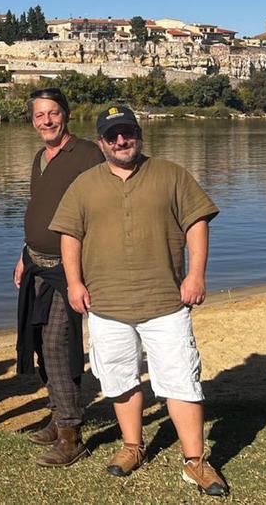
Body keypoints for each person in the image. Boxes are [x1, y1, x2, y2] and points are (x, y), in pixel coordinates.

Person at [50, 105, 229, 496]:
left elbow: (196, 223)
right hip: (105, 302)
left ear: (138, 134)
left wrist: (196, 275)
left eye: (127, 132)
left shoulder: (171, 174)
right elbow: (70, 236)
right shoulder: (84, 184)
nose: (120, 141)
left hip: (165, 299)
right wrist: (74, 283)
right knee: (118, 376)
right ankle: (132, 446)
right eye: (112, 136)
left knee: (181, 379)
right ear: (101, 142)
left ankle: (195, 461)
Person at [12, 88, 104, 467]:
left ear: (65, 114)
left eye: (53, 113)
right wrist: (23, 255)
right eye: (39, 115)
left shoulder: (87, 155)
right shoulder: (40, 157)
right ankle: (57, 413)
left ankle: (71, 434)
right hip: (36, 264)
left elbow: (102, 207)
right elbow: (39, 208)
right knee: (38, 343)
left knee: (58, 344)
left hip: (68, 268)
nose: (46, 121)